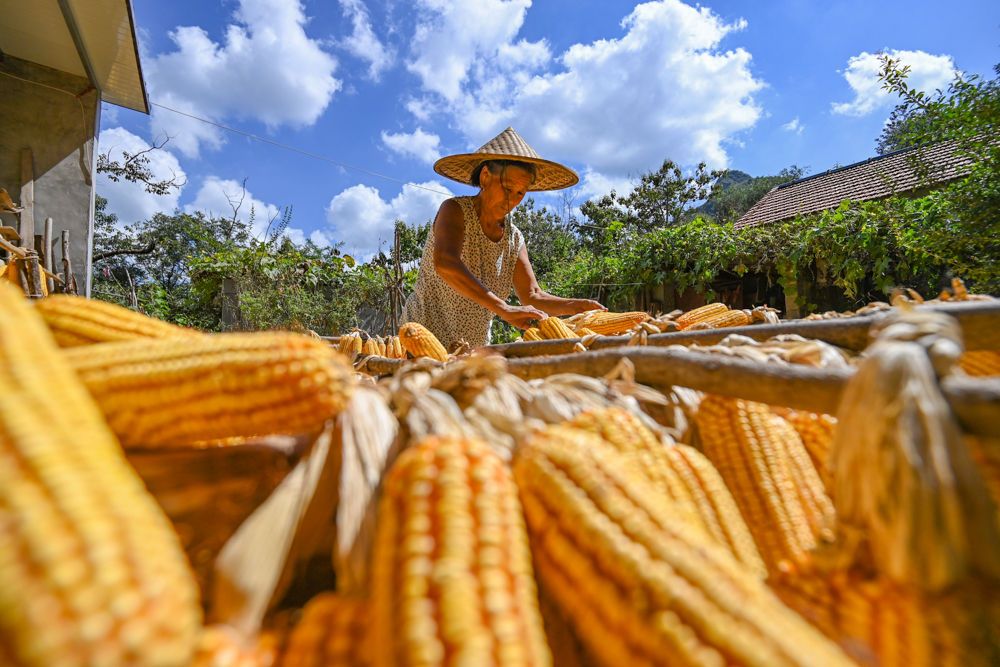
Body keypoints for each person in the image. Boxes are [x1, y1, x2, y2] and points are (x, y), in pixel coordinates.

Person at [401, 127, 606, 348]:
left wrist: (577, 306)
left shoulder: (514, 238)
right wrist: (504, 308)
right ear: (485, 177)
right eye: (507, 189)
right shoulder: (455, 210)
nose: (513, 200)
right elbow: (445, 262)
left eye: (520, 193)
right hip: (421, 339)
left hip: (471, 347)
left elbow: (532, 295)